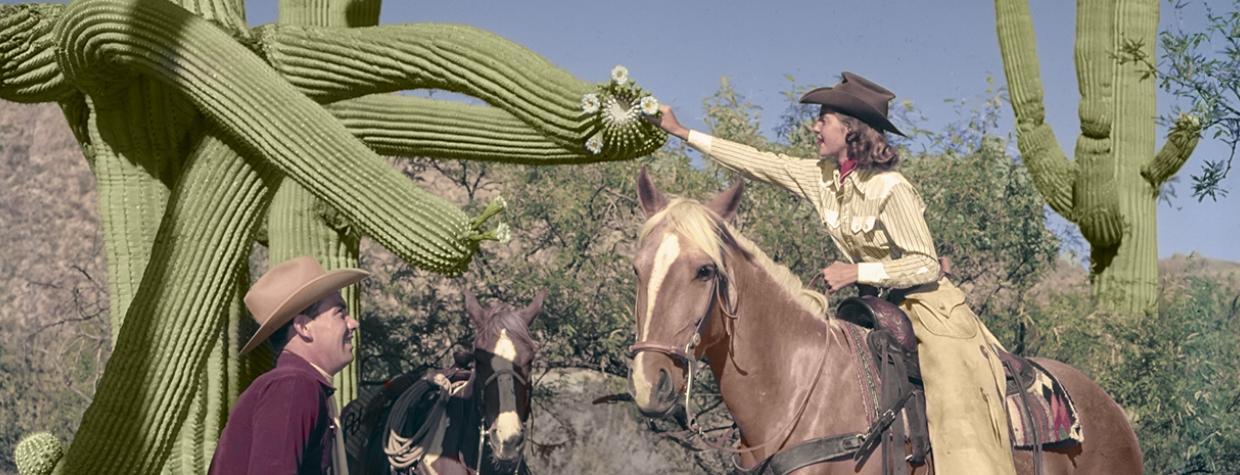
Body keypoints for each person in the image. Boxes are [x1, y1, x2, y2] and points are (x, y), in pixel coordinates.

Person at [650, 72, 1017, 474]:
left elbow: (926, 263)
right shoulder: (822, 178)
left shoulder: (891, 188)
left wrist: (856, 270)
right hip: (876, 308)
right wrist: (682, 132)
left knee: (954, 403)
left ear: (851, 130)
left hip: (931, 311)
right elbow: (760, 163)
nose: (815, 127)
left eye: (824, 119)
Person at [210, 256, 369, 475]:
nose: (353, 323)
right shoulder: (294, 386)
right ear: (304, 327)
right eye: (340, 313)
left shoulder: (297, 384)